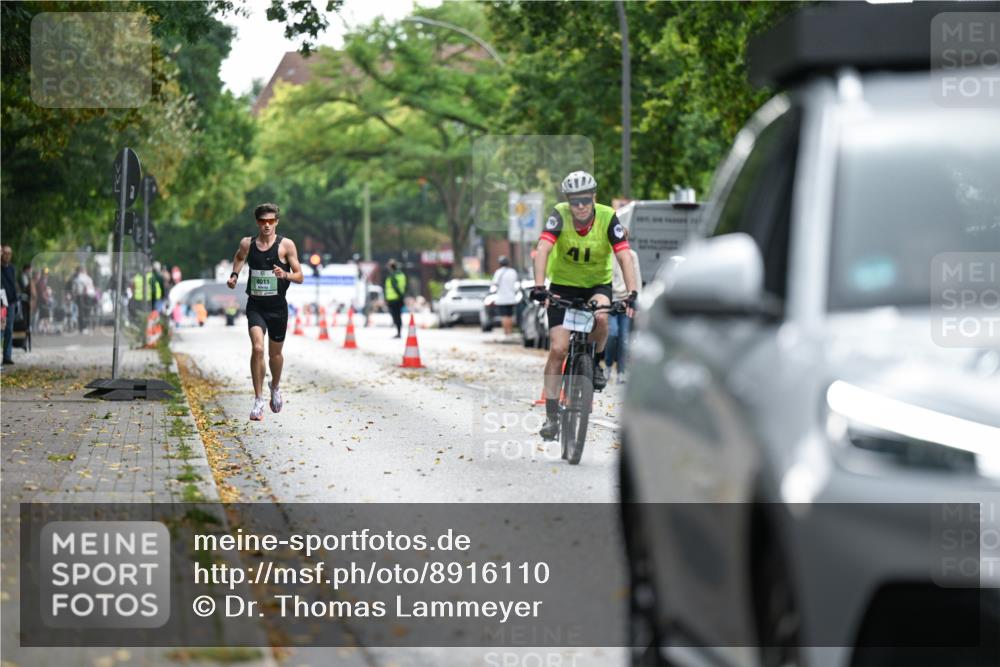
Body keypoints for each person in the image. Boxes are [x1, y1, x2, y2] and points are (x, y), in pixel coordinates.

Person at [530, 171, 638, 441]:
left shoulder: (607, 217)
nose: (580, 206)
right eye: (575, 201)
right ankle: (552, 417)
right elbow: (543, 248)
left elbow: (624, 256)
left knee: (601, 317)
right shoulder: (559, 214)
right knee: (558, 350)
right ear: (568, 200)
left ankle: (597, 363)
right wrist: (539, 286)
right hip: (563, 287)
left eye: (585, 201)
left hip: (596, 286)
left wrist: (633, 292)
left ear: (594, 198)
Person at [226, 203, 303, 421]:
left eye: (271, 221)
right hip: (256, 305)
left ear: (276, 221)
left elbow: (299, 276)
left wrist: (285, 275)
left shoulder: (286, 246)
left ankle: (275, 386)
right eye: (262, 221)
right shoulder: (247, 243)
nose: (267, 225)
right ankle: (258, 399)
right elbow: (240, 258)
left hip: (278, 307)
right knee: (257, 348)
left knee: (275, 355)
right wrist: (234, 275)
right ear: (257, 222)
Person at [604, 227, 641, 383]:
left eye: (624, 238)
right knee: (612, 335)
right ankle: (607, 366)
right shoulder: (606, 255)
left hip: (626, 303)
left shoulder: (632, 256)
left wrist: (636, 303)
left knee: (624, 339)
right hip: (610, 302)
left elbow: (637, 279)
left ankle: (621, 372)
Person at [490, 255, 519, 337]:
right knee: (510, 316)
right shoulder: (513, 272)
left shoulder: (498, 272)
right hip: (511, 298)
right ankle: (510, 332)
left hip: (501, 298)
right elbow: (515, 283)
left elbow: (494, 284)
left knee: (504, 316)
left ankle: (506, 332)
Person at [1, 246, 17, 364]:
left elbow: (13, 285)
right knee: (1, 329)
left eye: (9, 254)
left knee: (9, 329)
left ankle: (7, 356)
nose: (7, 255)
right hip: (2, 301)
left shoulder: (12, 268)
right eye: (5, 253)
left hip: (10, 302)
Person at [384, 259, 407, 338]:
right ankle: (399, 332)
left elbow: (395, 287)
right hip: (398, 299)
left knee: (396, 316)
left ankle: (399, 332)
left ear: (391, 267)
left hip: (394, 300)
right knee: (398, 316)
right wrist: (402, 297)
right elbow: (404, 287)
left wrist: (399, 296)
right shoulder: (402, 275)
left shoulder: (393, 276)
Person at [71, 266, 96, 333]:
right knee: (86, 312)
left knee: (81, 312)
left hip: (81, 296)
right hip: (88, 297)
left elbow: (74, 290)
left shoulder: (77, 279)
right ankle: (84, 327)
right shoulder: (89, 279)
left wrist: (74, 297)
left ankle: (82, 327)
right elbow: (92, 288)